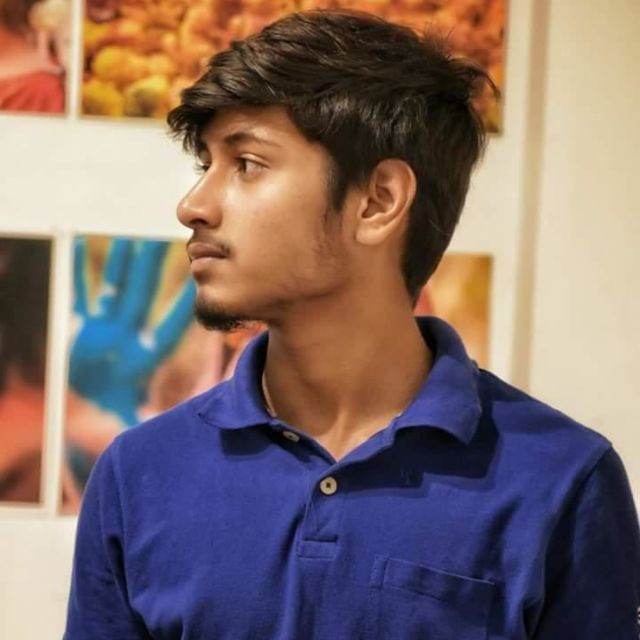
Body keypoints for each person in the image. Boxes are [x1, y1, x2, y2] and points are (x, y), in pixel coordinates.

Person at [64, 10, 640, 639]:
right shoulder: (139, 473)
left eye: (247, 164)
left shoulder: (562, 481)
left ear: (378, 201)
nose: (193, 205)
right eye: (206, 164)